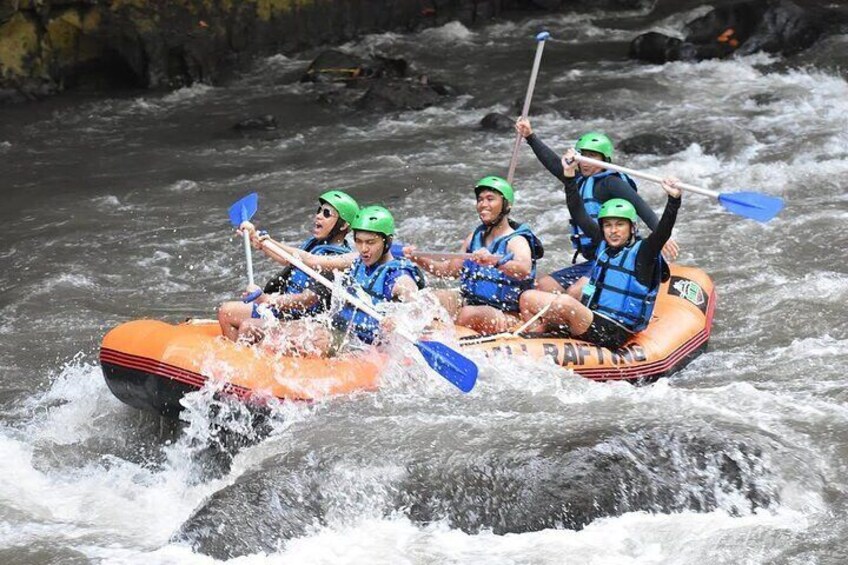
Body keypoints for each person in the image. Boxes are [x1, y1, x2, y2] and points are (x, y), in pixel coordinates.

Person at [518, 148, 681, 350]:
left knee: (566, 303)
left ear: (632, 228)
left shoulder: (643, 253)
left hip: (615, 328)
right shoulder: (603, 244)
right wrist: (569, 177)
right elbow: (578, 212)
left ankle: (542, 341)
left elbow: (662, 232)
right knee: (527, 297)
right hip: (591, 317)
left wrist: (673, 200)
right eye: (608, 225)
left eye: (619, 225)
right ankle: (534, 342)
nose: (613, 231)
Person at [514, 118, 678, 297]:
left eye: (591, 156)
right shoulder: (579, 180)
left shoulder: (611, 183)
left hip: (619, 256)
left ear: (604, 160)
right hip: (597, 256)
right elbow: (554, 164)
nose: (585, 162)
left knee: (575, 292)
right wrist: (530, 136)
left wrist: (661, 235)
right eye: (582, 155)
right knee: (542, 286)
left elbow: (640, 205)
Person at [248, 205, 426, 354]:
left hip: (363, 344)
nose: (363, 249)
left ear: (387, 242)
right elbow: (310, 259)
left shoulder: (399, 278)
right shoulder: (355, 260)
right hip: (338, 330)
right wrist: (268, 242)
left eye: (371, 242)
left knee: (291, 341)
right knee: (255, 328)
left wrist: (397, 320)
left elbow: (419, 307)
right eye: (359, 241)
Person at [404, 176, 544, 334]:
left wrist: (494, 262)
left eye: (490, 199)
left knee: (469, 313)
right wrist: (417, 258)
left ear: (506, 205)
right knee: (429, 299)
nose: (483, 204)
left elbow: (523, 269)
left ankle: (454, 339)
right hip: (470, 303)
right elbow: (447, 270)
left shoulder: (516, 240)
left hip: (506, 314)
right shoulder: (474, 238)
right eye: (480, 199)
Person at [217, 190, 359, 342]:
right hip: (284, 308)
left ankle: (250, 359)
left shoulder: (334, 262)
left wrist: (267, 299)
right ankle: (237, 355)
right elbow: (287, 259)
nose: (318, 215)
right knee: (225, 312)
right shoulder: (316, 243)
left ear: (343, 225)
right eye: (319, 210)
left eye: (326, 213)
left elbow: (307, 299)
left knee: (248, 326)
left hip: (303, 319)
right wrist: (257, 239)